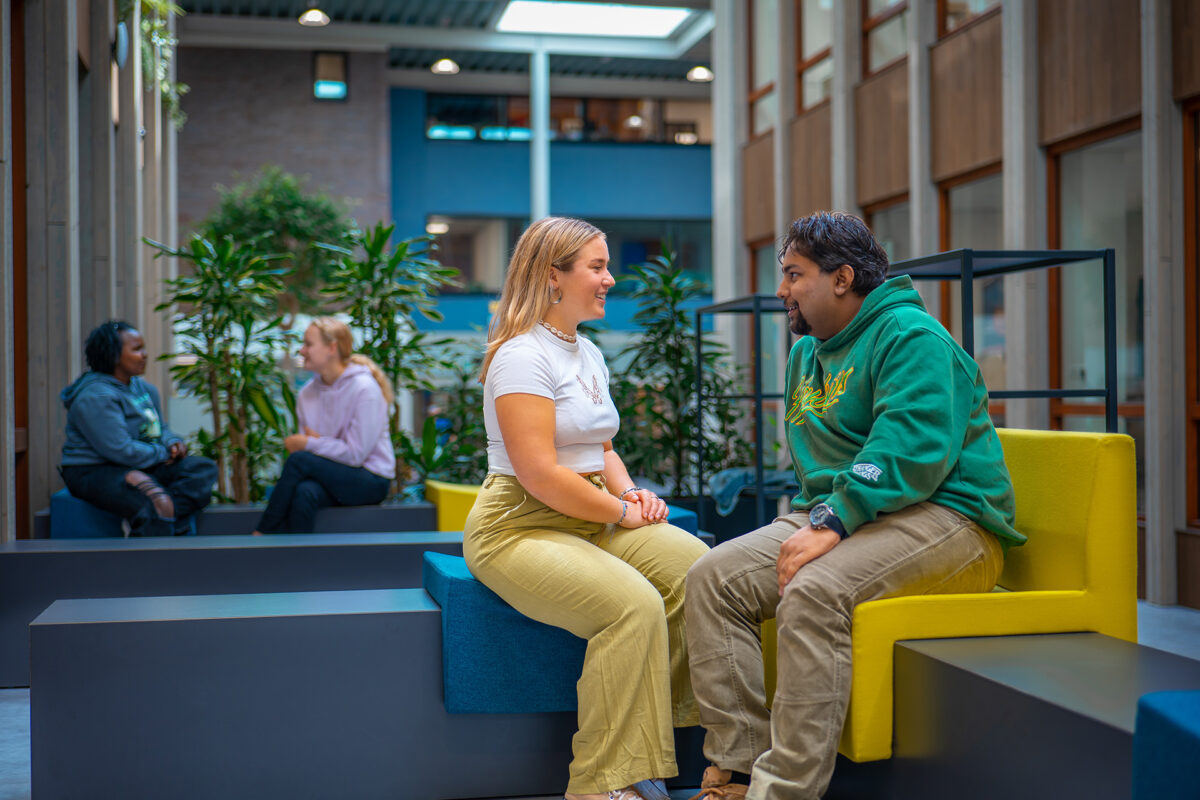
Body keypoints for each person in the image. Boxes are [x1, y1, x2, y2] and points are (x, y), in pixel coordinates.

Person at [685, 212, 1025, 799]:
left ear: (842, 278)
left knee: (815, 590)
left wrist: (832, 519)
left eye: (795, 274)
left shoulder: (912, 338)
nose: (782, 290)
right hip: (851, 517)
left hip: (950, 520)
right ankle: (735, 774)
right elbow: (816, 465)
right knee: (713, 579)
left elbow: (909, 450)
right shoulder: (806, 355)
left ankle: (782, 793)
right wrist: (819, 517)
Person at [465, 216, 710, 800]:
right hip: (520, 524)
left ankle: (667, 745)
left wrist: (629, 493)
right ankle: (603, 783)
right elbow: (539, 474)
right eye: (597, 267)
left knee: (700, 569)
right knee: (632, 606)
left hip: (593, 510)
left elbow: (601, 448)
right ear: (554, 276)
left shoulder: (589, 351)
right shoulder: (521, 356)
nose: (610, 279)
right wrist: (619, 513)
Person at [60, 320, 218, 536]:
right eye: (137, 349)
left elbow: (160, 429)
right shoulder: (96, 396)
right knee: (152, 500)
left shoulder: (144, 388)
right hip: (95, 470)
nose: (145, 355)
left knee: (202, 469)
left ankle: (169, 517)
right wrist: (164, 453)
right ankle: (155, 540)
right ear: (113, 355)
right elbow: (120, 450)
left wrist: (172, 442)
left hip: (141, 461)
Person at [254, 317, 395, 534]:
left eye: (308, 344)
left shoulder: (365, 389)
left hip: (370, 479)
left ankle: (263, 532)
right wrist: (316, 444)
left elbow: (355, 454)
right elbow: (320, 454)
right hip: (336, 474)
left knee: (299, 460)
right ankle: (299, 553)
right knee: (305, 491)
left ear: (332, 348)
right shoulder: (307, 394)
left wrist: (310, 443)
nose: (301, 351)